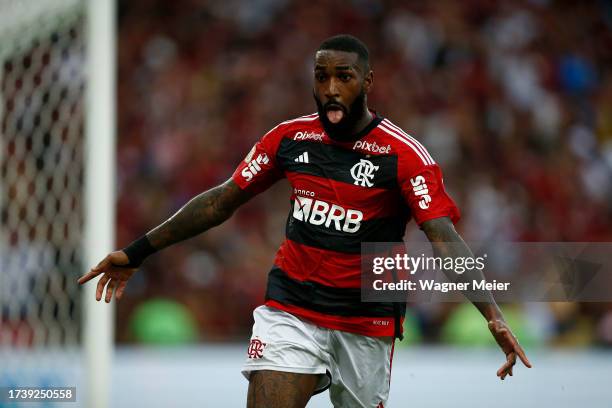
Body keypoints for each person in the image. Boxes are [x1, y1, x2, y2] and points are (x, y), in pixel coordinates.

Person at [78, 34, 531, 408]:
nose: (331, 88)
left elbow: (443, 236)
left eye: (344, 77)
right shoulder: (290, 138)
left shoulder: (403, 155)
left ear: (367, 81)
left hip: (365, 320)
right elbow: (220, 202)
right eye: (322, 77)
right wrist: (136, 251)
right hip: (291, 309)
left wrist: (492, 315)